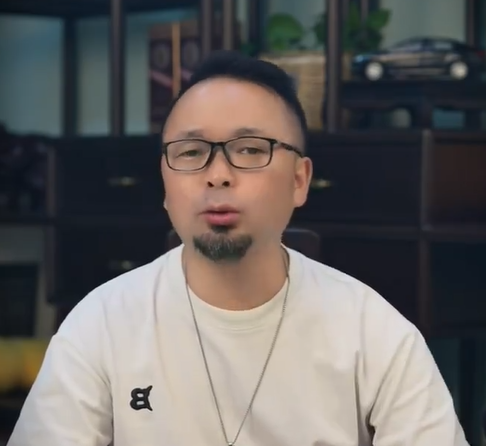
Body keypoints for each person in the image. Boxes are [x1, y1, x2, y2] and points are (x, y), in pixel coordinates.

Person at [8, 50, 468, 446]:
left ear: (299, 180)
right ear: (165, 183)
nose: (218, 175)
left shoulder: (376, 335)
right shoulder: (102, 324)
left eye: (250, 149)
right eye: (191, 152)